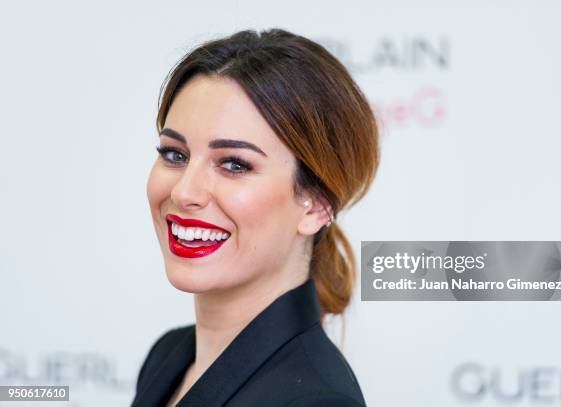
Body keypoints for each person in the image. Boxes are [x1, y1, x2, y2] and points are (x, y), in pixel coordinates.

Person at [131, 28, 380, 407]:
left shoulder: (317, 401)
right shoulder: (168, 356)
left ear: (315, 205)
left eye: (234, 164)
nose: (184, 192)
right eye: (175, 154)